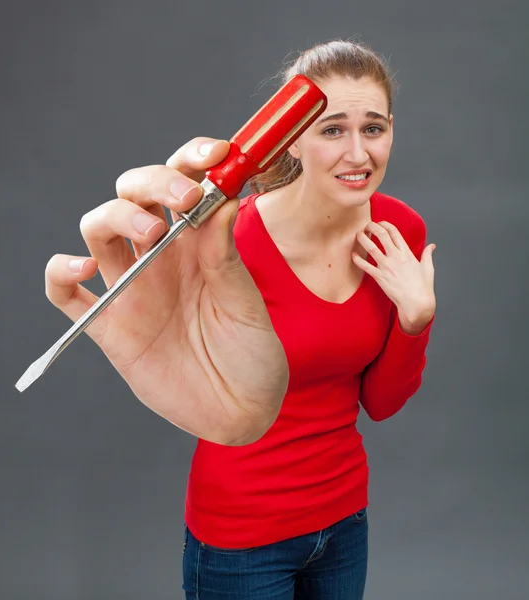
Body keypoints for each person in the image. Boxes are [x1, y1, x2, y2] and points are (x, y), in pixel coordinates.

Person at [44, 39, 436, 599]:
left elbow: (381, 403)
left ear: (391, 130)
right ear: (293, 136)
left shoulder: (399, 233)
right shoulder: (227, 243)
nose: (358, 153)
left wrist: (415, 319)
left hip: (345, 523)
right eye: (332, 129)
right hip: (242, 539)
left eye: (373, 128)